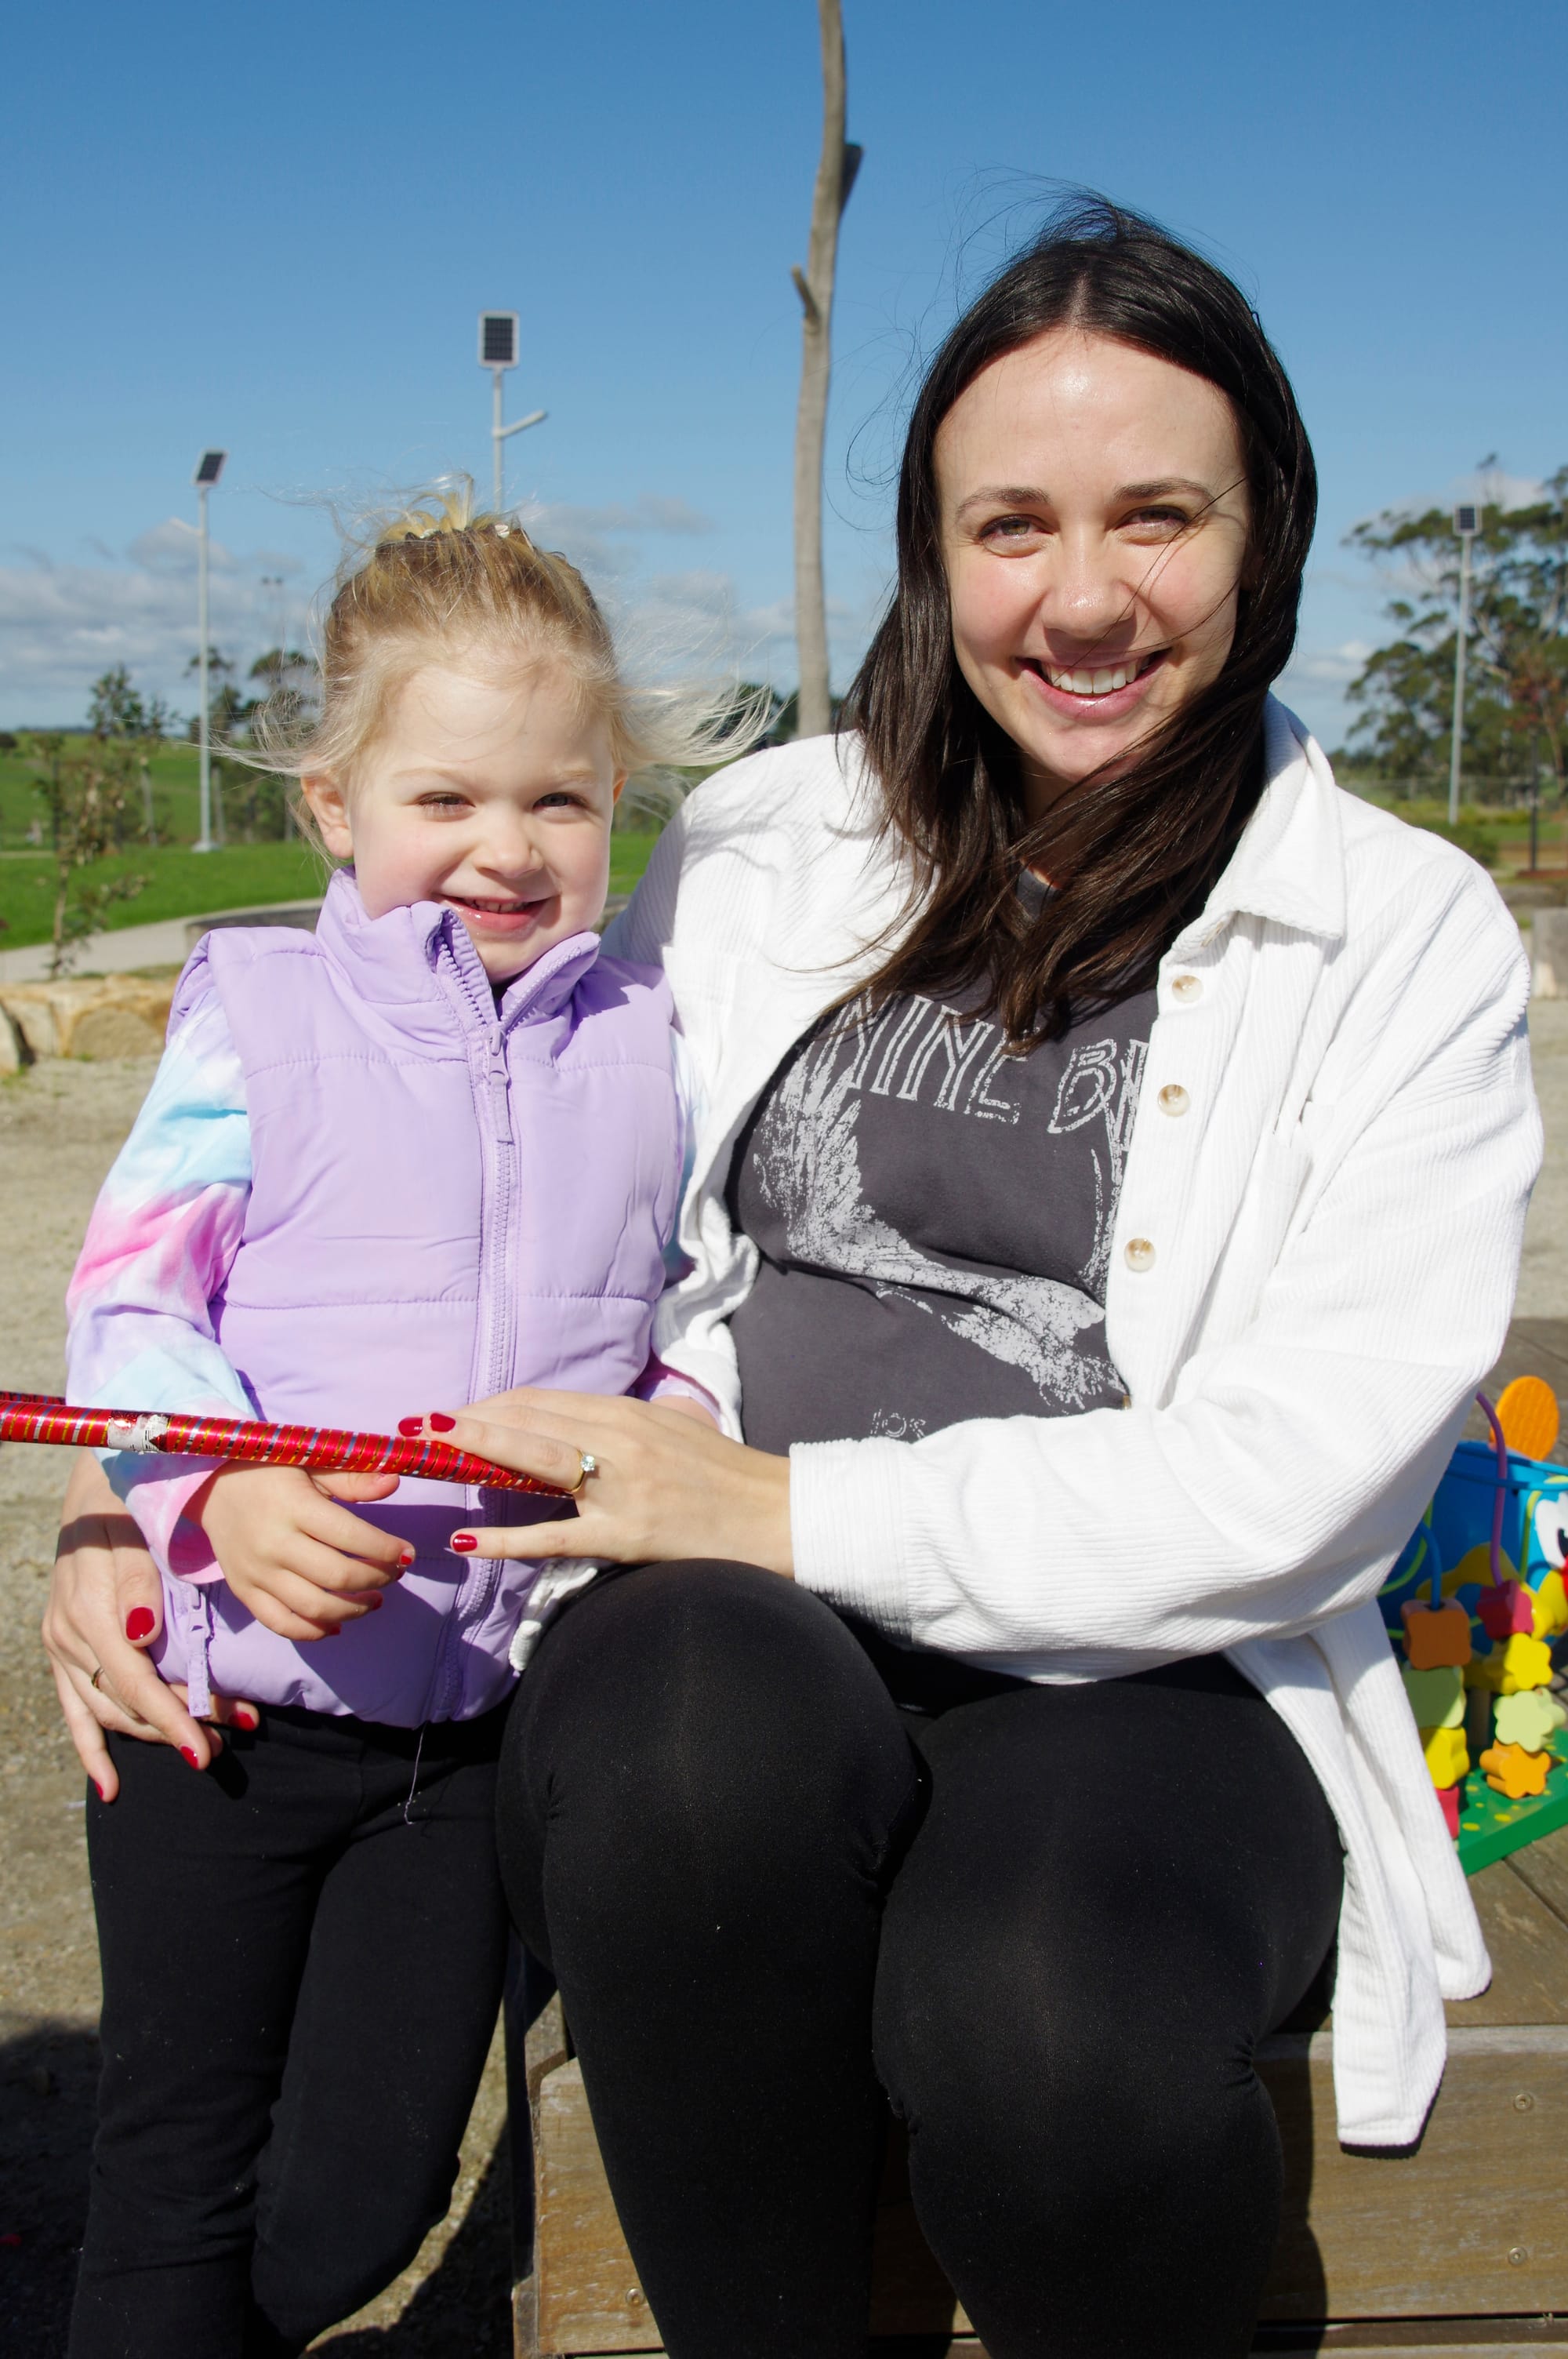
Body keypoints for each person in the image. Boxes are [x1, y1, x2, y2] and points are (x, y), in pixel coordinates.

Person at [49, 201, 1541, 2359]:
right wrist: (146, 1494)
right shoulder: (770, 839)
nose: (1088, 594)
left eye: (1161, 516)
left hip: (1145, 1656)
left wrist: (791, 1511)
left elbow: (1305, 1471)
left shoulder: (1400, 934)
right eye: (1012, 524)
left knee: (1047, 2033)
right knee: (685, 1739)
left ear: (1266, 529)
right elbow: (509, 1202)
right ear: (939, 553)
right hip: (714, 1612)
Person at [52, 489, 726, 2359]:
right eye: (445, 800)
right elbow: (130, 1296)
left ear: (618, 807)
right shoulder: (251, 1015)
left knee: (358, 2198)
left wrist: (670, 1435)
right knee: (173, 2165)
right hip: (223, 1722)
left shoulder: (655, 1040)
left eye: (559, 801)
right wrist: (214, 1486)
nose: (504, 848)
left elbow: (690, 1318)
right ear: (336, 807)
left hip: (473, 1736)